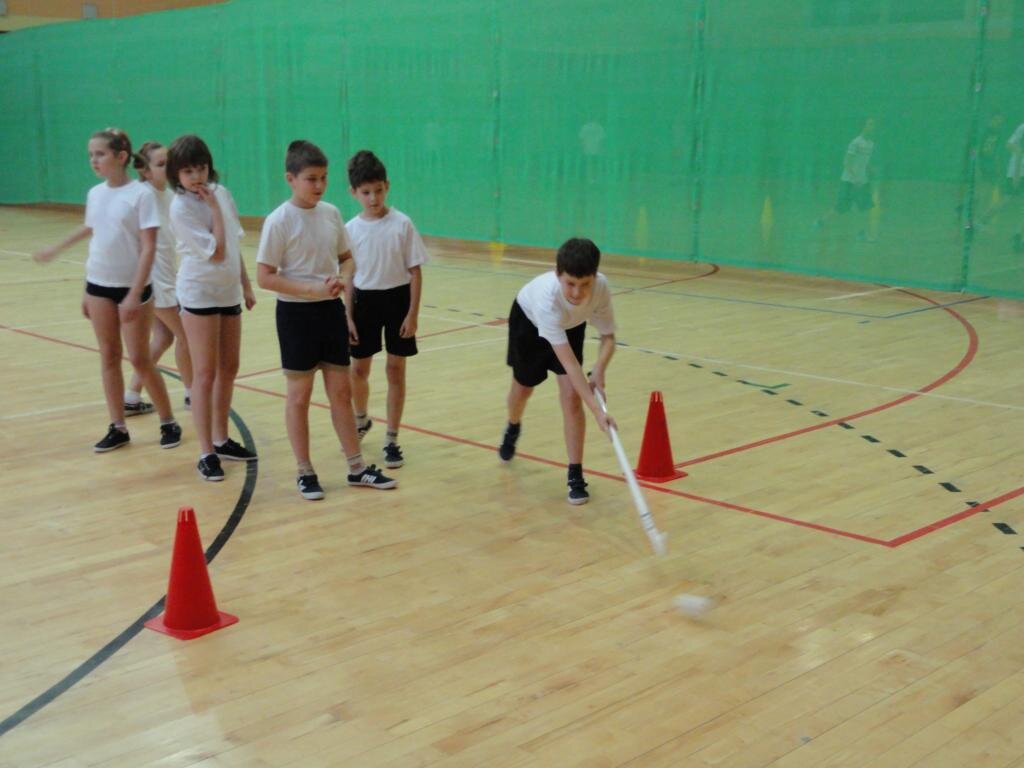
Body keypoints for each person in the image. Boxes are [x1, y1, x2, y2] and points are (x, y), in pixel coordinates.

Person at [256, 140, 397, 499]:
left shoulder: (331, 214)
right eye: (311, 179)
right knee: (299, 396)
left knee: (341, 392)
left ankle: (356, 467)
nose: (319, 185)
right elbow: (265, 277)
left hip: (330, 312)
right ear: (291, 179)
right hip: (295, 316)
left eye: (323, 178)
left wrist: (343, 280)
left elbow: (346, 258)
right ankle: (304, 471)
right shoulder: (279, 221)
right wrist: (310, 290)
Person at [34, 128, 181, 453]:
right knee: (109, 355)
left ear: (121, 156)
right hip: (98, 286)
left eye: (100, 154)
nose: (93, 160)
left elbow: (148, 247)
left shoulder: (140, 195)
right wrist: (58, 253)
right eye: (91, 155)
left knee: (140, 359)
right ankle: (118, 426)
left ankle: (168, 421)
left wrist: (134, 294)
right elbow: (93, 230)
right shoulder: (96, 194)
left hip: (133, 289)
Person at [497, 237, 616, 505]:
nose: (577, 293)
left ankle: (575, 474)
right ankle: (513, 425)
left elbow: (608, 337)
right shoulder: (547, 301)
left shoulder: (601, 288)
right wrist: (598, 412)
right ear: (557, 274)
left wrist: (599, 369)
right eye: (570, 284)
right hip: (528, 323)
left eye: (584, 284)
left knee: (572, 397)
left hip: (571, 326)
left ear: (595, 277)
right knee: (523, 389)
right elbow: (571, 365)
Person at [166, 134, 256, 482]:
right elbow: (216, 252)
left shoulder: (222, 193)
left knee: (229, 366)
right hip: (199, 292)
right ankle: (206, 452)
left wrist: (245, 284)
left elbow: (232, 245)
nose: (197, 177)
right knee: (204, 373)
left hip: (227, 291)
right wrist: (215, 209)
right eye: (188, 171)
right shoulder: (181, 207)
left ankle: (221, 438)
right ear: (177, 174)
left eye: (201, 168)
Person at [345, 150, 428, 469]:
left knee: (395, 370)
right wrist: (347, 315)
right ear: (353, 192)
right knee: (358, 370)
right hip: (364, 302)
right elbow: (348, 276)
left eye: (378, 190)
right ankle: (361, 418)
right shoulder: (350, 229)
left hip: (397, 301)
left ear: (387, 187)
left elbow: (415, 272)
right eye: (366, 192)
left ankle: (392, 438)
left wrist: (412, 314)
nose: (373, 198)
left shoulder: (402, 224)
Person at [124, 141, 193, 413]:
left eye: (169, 163)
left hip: (168, 278)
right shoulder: (142, 196)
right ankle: (192, 393)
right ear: (145, 170)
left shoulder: (171, 196)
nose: (169, 168)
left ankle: (131, 396)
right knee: (187, 336)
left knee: (164, 338)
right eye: (162, 164)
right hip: (155, 282)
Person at [814, 117, 877, 239]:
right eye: (870, 124)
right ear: (863, 126)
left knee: (864, 207)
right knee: (841, 208)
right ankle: (821, 222)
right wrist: (855, 178)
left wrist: (870, 169)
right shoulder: (855, 143)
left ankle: (861, 234)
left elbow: (864, 162)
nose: (872, 127)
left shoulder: (871, 144)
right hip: (849, 181)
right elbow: (847, 162)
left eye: (873, 124)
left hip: (862, 181)